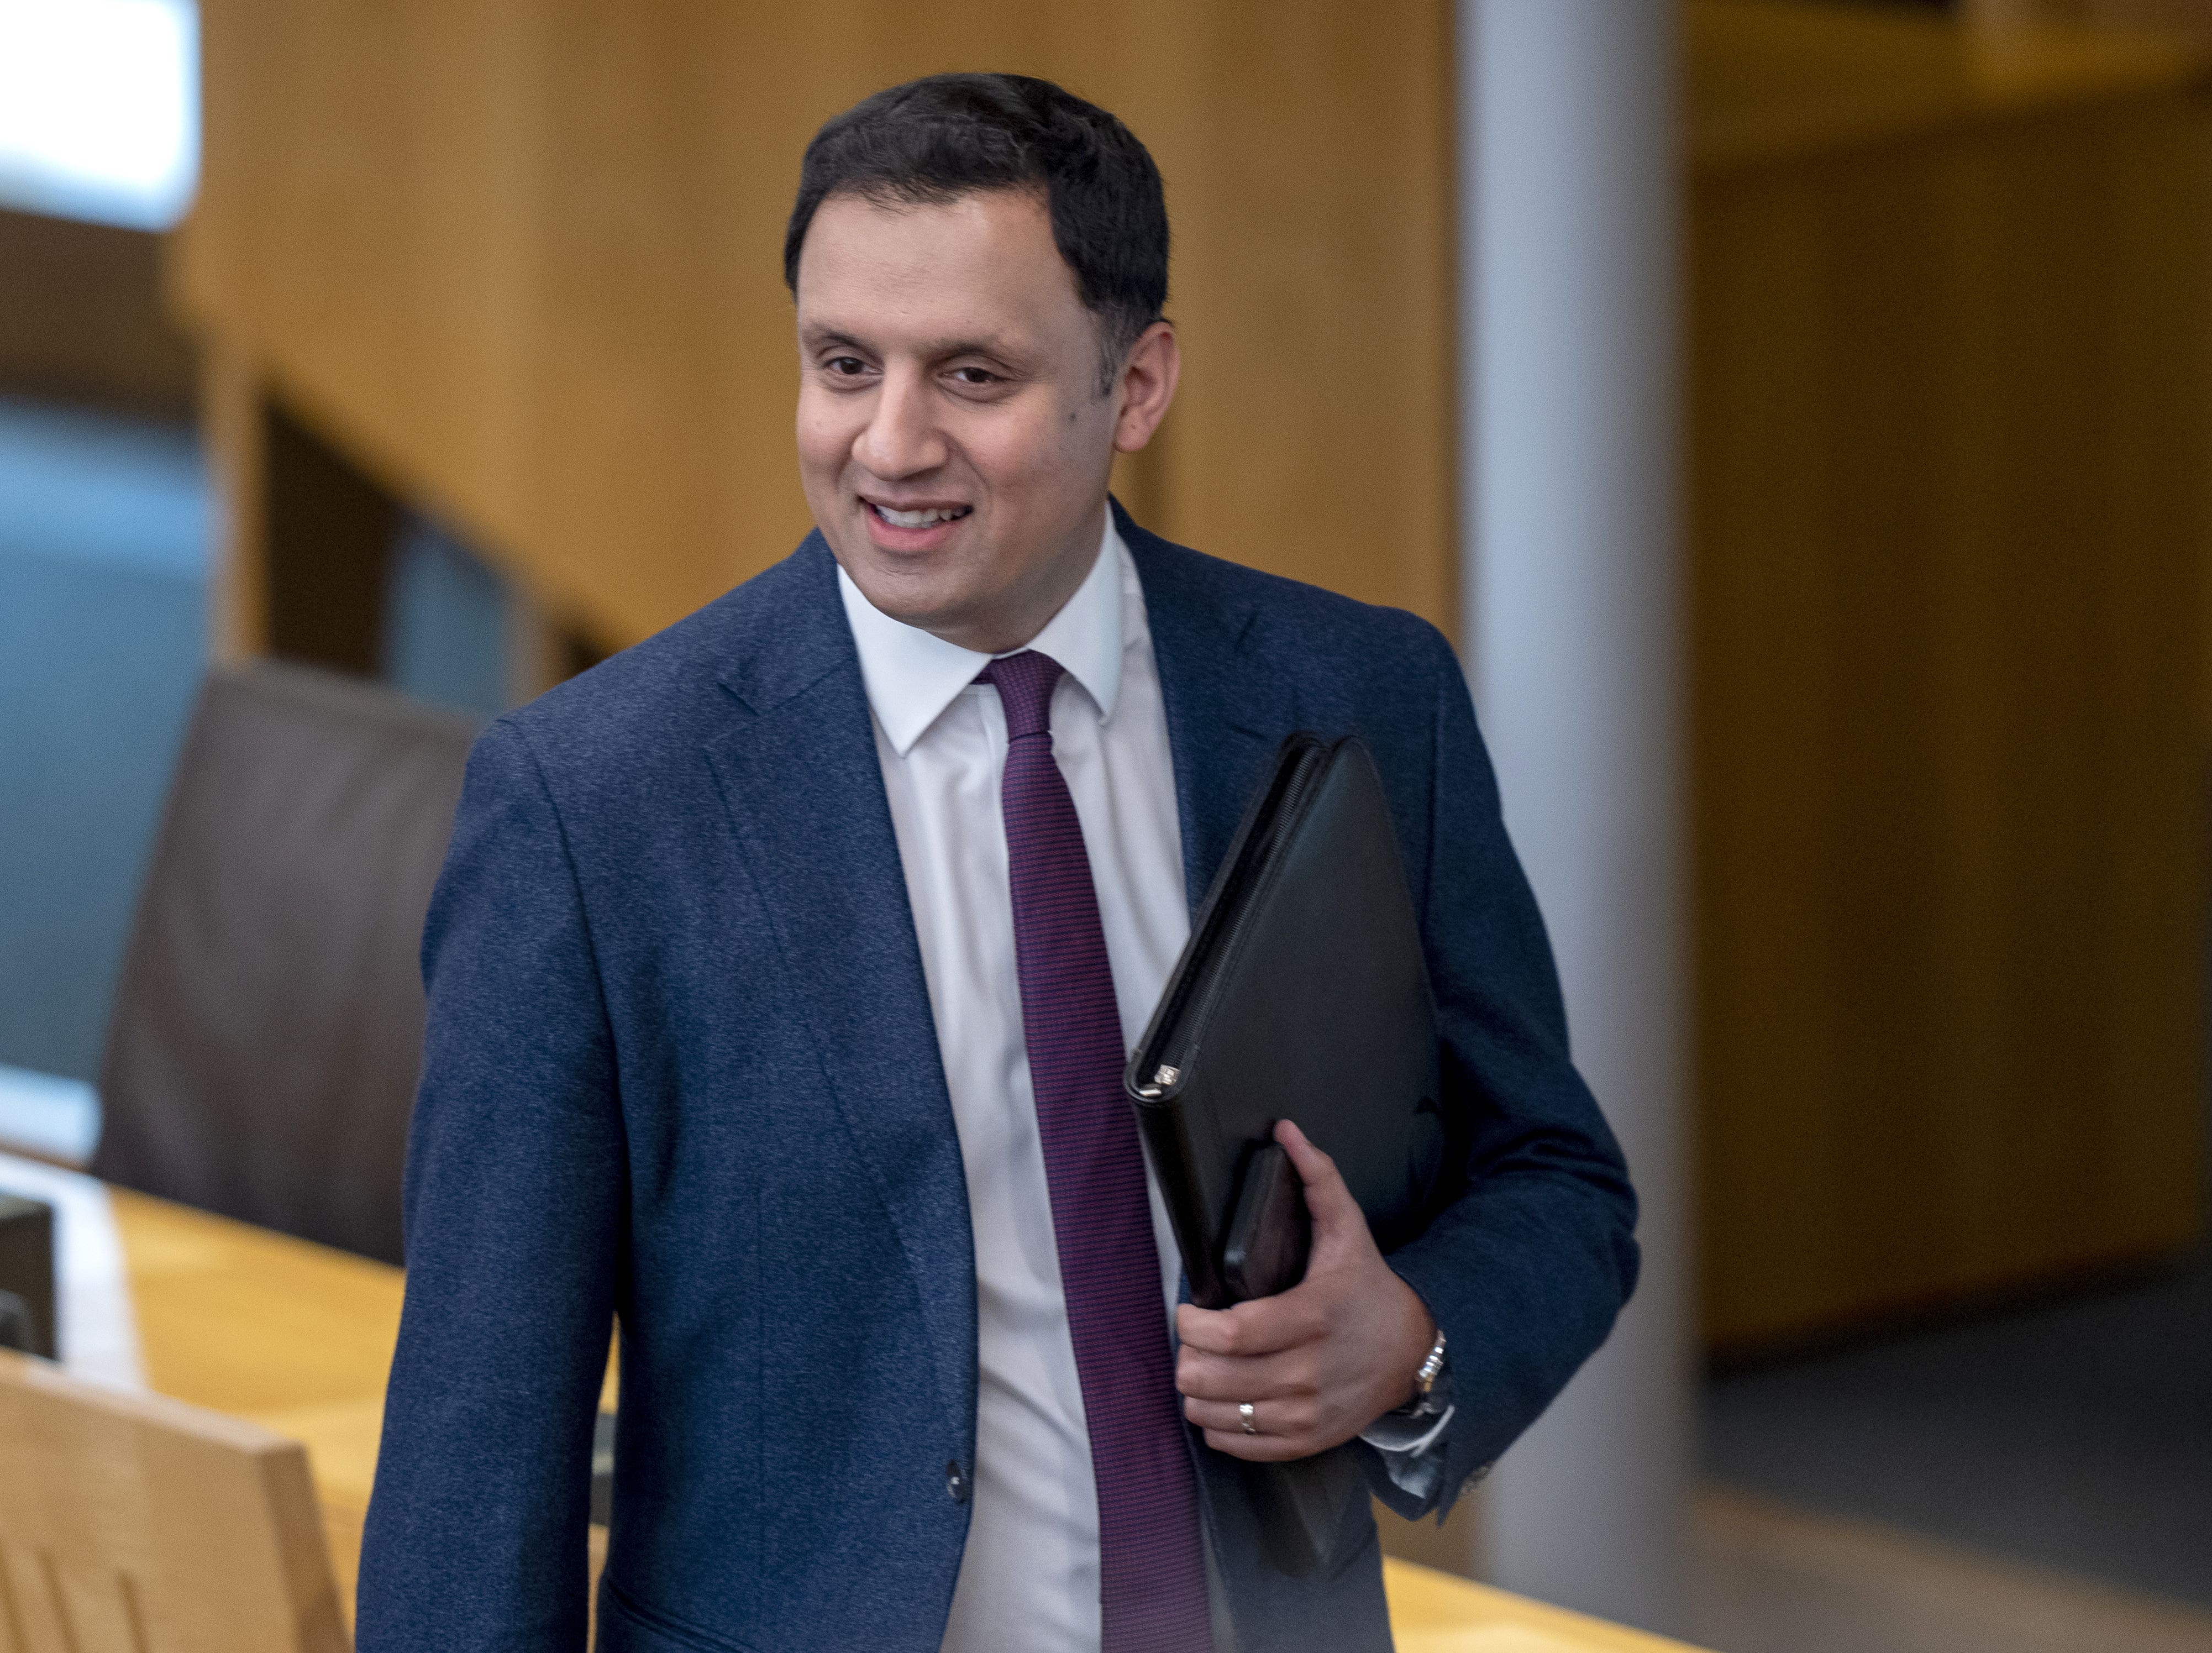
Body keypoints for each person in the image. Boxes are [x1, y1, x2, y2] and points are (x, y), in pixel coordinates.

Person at [356, 72, 1637, 1653]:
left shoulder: (1359, 696)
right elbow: (478, 1449)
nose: (890, 445)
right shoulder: (595, 806)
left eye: (971, 373)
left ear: (1139, 382)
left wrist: (1414, 1343)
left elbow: (1557, 1183)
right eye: (843, 365)